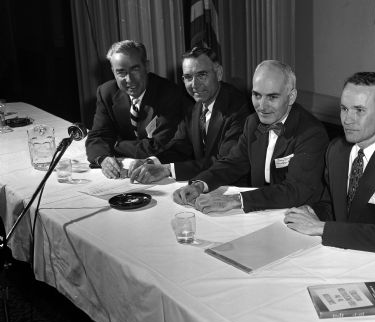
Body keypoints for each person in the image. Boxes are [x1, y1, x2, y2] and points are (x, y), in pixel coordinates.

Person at [283, 72, 375, 252]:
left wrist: (320, 228)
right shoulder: (337, 150)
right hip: (340, 250)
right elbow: (333, 203)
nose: (347, 119)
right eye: (344, 109)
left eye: (359, 110)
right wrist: (311, 210)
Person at [172, 60, 329, 213]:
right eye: (257, 95)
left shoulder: (312, 133)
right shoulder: (253, 122)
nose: (261, 106)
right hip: (260, 211)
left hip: (298, 216)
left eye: (272, 97)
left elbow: (294, 190)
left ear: (292, 97)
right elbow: (233, 163)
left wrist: (236, 200)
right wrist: (200, 184)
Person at [128, 45, 251, 183]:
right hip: (203, 185)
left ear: (219, 73)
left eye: (202, 75)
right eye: (188, 77)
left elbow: (224, 161)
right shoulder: (195, 106)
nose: (194, 85)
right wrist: (151, 162)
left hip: (233, 188)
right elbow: (180, 146)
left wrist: (168, 169)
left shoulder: (238, 107)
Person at [85, 40, 186, 178]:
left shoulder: (169, 93)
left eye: (135, 69)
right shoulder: (106, 92)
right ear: (113, 72)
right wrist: (103, 159)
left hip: (161, 170)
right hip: (128, 171)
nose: (129, 79)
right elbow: (97, 136)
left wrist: (115, 145)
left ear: (146, 66)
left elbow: (157, 146)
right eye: (121, 72)